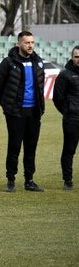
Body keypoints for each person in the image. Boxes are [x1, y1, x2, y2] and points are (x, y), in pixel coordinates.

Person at [0, 30, 45, 192]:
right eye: (26, 42)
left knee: (31, 146)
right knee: (14, 146)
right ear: (19, 44)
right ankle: (11, 180)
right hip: (15, 112)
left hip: (34, 112)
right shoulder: (8, 62)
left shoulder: (38, 62)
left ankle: (29, 180)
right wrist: (7, 106)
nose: (30, 45)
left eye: (32, 42)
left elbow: (39, 86)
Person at [52, 45, 79, 191]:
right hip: (72, 119)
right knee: (69, 150)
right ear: (72, 57)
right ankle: (67, 180)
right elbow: (57, 98)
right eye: (76, 57)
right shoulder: (65, 75)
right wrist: (68, 111)